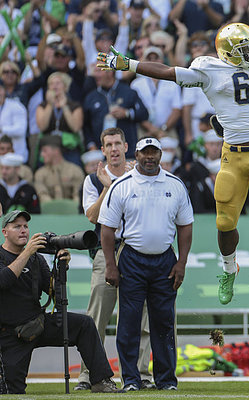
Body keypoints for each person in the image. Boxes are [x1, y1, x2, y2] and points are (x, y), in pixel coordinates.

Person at [98, 23, 249, 312]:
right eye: (245, 48)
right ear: (228, 52)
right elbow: (167, 71)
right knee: (225, 222)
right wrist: (129, 64)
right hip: (233, 155)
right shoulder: (208, 70)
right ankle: (229, 269)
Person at [99, 137, 194, 391]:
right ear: (137, 155)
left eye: (154, 153)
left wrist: (182, 263)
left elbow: (185, 226)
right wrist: (110, 265)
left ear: (161, 154)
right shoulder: (122, 185)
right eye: (145, 153)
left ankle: (166, 380)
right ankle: (130, 379)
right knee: (129, 322)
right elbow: (107, 229)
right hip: (132, 258)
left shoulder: (175, 184)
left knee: (163, 322)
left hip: (165, 259)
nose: (149, 157)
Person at [0, 210, 119, 394]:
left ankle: (100, 381)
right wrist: (27, 253)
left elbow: (54, 292)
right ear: (5, 232)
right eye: (17, 227)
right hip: (10, 334)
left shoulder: (36, 259)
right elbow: (3, 280)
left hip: (36, 325)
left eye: (25, 226)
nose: (23, 230)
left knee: (84, 324)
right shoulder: (5, 256)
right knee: (11, 391)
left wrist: (61, 268)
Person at [75, 128, 154, 392]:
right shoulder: (93, 180)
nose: (113, 149)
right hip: (104, 251)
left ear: (126, 146)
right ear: (103, 150)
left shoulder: (139, 177)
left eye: (117, 143)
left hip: (135, 250)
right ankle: (88, 375)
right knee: (96, 317)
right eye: (108, 145)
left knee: (140, 317)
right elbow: (93, 217)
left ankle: (140, 374)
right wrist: (108, 187)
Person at [35, 72, 85, 166]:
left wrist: (64, 107)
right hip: (48, 148)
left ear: (65, 87)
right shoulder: (43, 106)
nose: (54, 86)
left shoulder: (74, 106)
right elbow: (42, 126)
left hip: (68, 148)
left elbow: (75, 127)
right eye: (51, 84)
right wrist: (50, 105)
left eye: (58, 83)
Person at [33, 135, 85, 205]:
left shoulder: (75, 171)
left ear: (56, 151)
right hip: (48, 213)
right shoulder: (40, 174)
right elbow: (43, 196)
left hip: (72, 213)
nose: (42, 154)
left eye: (44, 150)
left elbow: (78, 196)